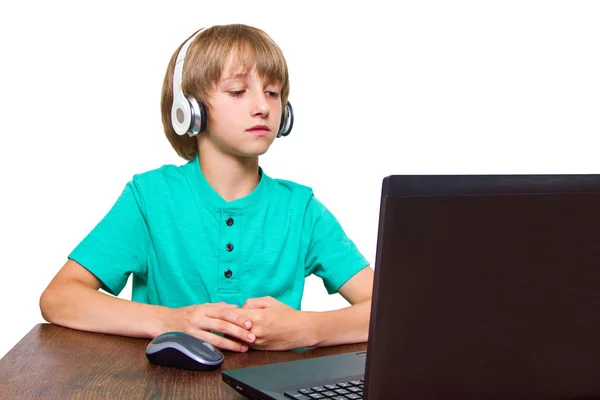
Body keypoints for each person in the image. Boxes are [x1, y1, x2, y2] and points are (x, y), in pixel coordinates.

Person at [40, 24, 374, 353]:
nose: (262, 106)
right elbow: (59, 298)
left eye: (272, 92)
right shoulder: (150, 198)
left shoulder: (300, 210)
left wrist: (308, 329)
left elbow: (387, 308)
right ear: (190, 110)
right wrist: (172, 321)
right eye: (237, 92)